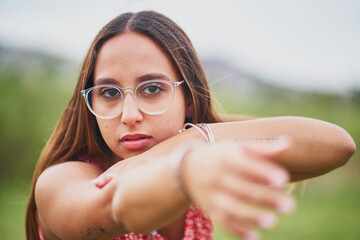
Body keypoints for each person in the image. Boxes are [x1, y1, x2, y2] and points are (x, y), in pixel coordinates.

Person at [25, 11, 356, 240]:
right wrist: (184, 170)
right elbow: (118, 207)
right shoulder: (60, 182)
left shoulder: (202, 146)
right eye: (109, 92)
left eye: (152, 88)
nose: (129, 114)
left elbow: (338, 145)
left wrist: (185, 144)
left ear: (189, 100)